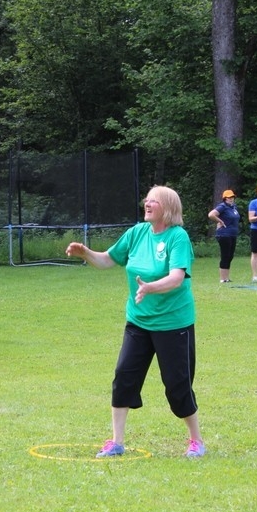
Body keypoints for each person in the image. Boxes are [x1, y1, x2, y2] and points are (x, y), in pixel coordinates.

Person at [66, 185, 205, 459]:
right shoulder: (137, 233)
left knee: (177, 385)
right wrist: (86, 253)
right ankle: (117, 442)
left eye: (153, 201)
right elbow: (107, 260)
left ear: (167, 207)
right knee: (124, 377)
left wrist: (150, 287)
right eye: (147, 200)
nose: (147, 204)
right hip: (139, 321)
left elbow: (177, 277)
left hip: (173, 324)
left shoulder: (178, 237)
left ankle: (196, 440)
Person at [208, 190, 241, 283]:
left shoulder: (234, 207)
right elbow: (211, 214)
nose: (231, 199)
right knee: (225, 255)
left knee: (230, 256)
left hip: (232, 234)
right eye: (229, 197)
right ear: (225, 198)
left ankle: (227, 278)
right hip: (224, 234)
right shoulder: (222, 206)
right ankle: (222, 279)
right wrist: (220, 221)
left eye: (232, 197)